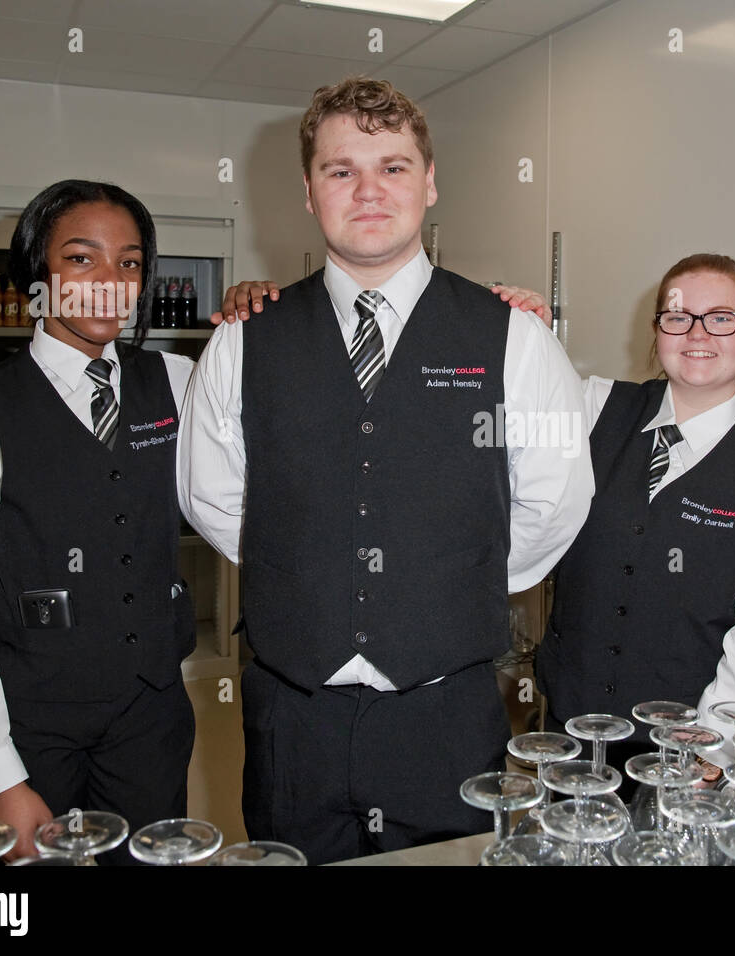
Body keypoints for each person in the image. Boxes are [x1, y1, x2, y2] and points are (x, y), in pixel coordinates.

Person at [177, 76, 593, 865]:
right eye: (341, 170)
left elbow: (554, 499)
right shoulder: (243, 339)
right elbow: (214, 495)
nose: (368, 190)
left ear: (429, 182)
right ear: (309, 191)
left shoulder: (512, 336)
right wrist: (308, 572)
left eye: (393, 167)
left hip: (448, 714)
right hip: (292, 718)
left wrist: (449, 583)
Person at [0, 181, 198, 861]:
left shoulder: (181, 381)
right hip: (31, 726)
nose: (109, 282)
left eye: (129, 264)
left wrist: (259, 307)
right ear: (36, 274)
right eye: (81, 259)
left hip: (152, 715)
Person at [523, 253, 735, 773]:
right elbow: (506, 411)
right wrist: (518, 329)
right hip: (570, 728)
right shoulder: (594, 408)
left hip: (684, 753)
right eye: (678, 316)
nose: (697, 333)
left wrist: (715, 743)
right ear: (658, 330)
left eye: (721, 318)